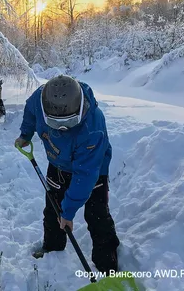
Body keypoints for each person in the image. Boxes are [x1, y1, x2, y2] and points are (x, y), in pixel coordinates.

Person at [15, 75, 120, 273]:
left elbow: (86, 175)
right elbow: (30, 113)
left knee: (97, 216)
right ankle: (53, 248)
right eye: (56, 123)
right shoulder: (39, 100)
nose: (63, 129)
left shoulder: (92, 128)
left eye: (70, 122)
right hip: (57, 165)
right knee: (53, 210)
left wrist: (69, 212)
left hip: (94, 170)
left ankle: (108, 265)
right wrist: (25, 134)